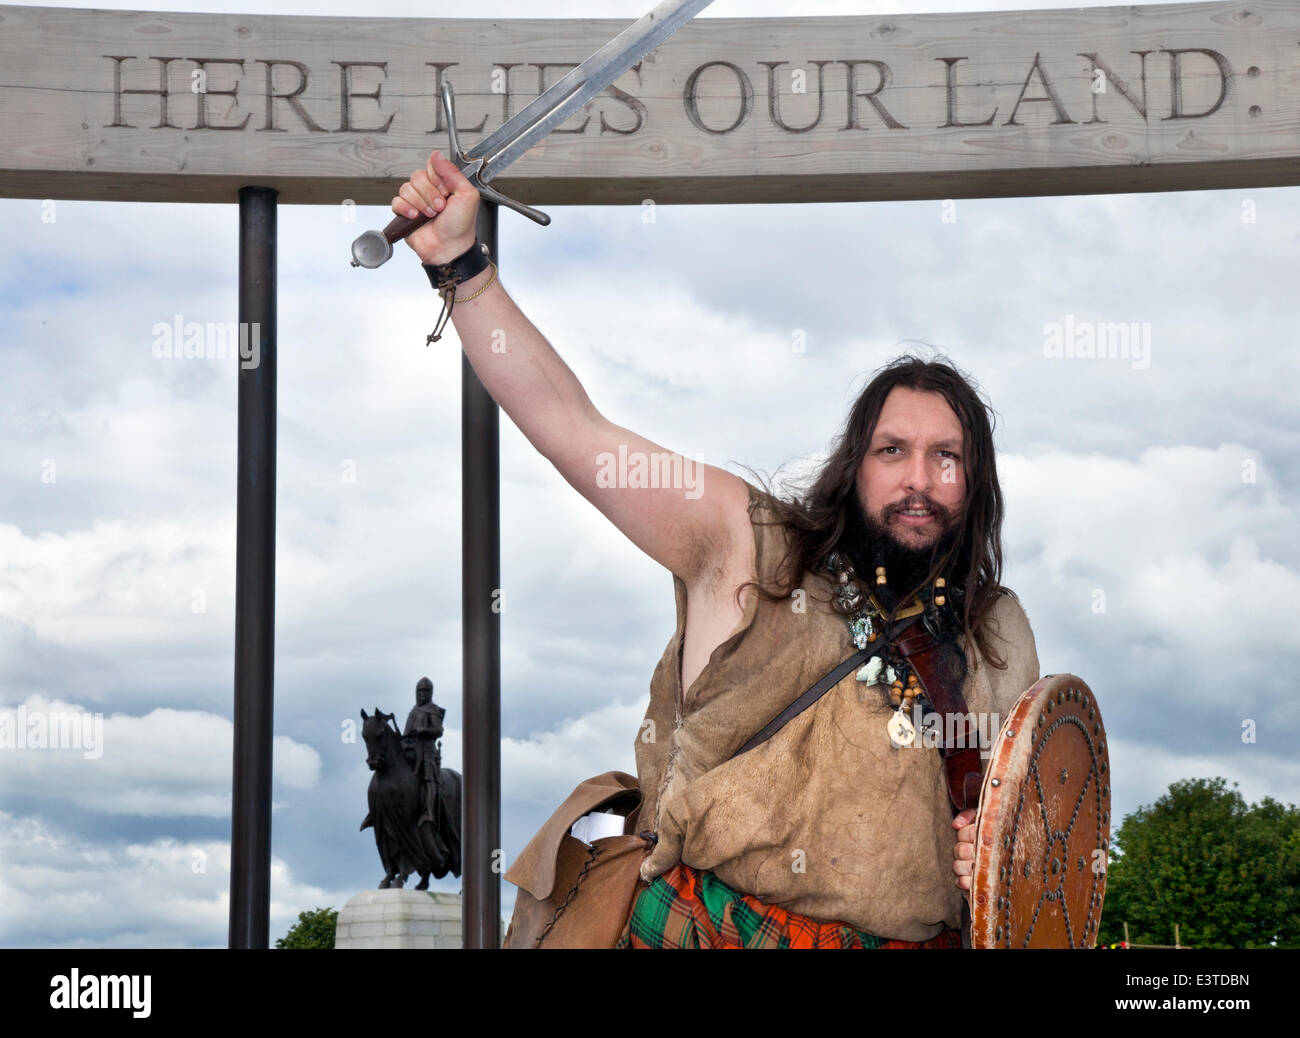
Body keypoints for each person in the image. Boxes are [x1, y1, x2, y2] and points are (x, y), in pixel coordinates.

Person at [391, 152, 1039, 948]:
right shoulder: (747, 545)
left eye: (948, 458)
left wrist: (1002, 862)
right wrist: (465, 269)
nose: (918, 480)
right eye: (892, 450)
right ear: (853, 462)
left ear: (976, 483)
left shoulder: (996, 633)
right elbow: (577, 432)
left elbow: (1028, 840)